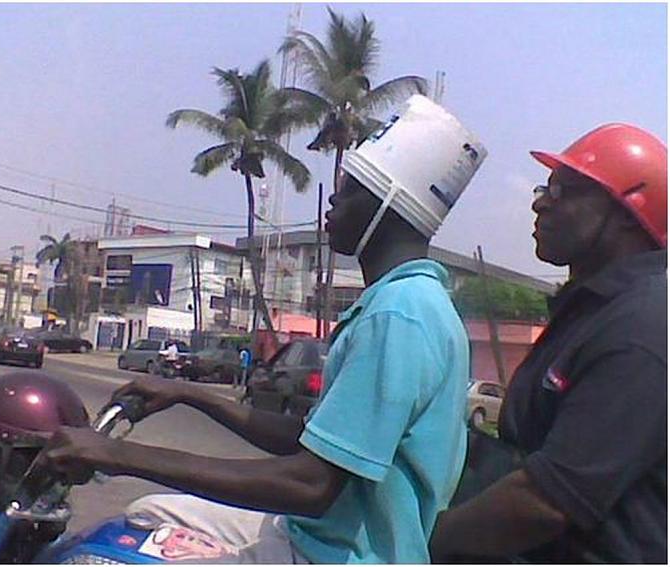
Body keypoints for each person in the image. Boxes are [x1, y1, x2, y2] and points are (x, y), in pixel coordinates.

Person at [43, 95, 487, 564]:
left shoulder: (399, 316)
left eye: (352, 188)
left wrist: (116, 456)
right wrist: (187, 394)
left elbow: (311, 484)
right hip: (316, 536)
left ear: (388, 207)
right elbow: (312, 442)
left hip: (335, 555)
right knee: (146, 514)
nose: (334, 197)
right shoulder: (409, 302)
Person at [430, 123, 667, 563]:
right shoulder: (590, 310)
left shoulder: (645, 325)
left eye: (564, 191)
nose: (539, 202)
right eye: (545, 187)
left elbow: (545, 501)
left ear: (625, 211)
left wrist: (415, 546)